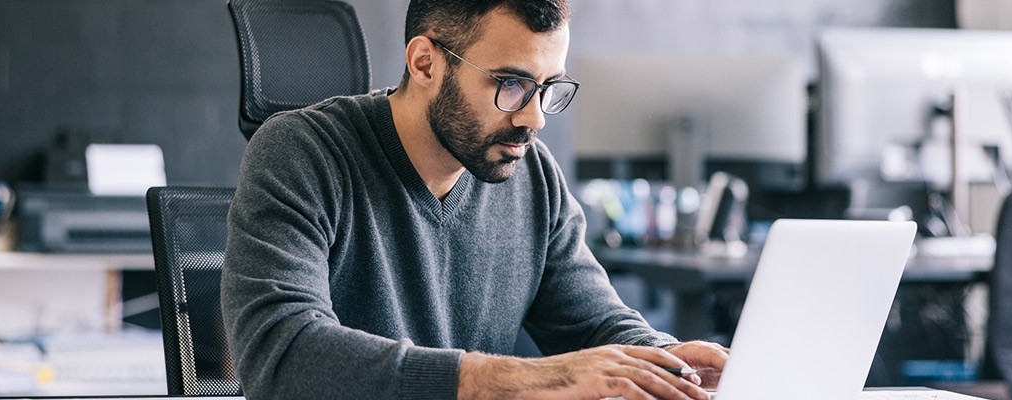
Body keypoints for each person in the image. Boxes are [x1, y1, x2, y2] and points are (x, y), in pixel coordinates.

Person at [221, 0, 728, 399]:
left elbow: (594, 323)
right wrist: (523, 380)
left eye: (549, 88)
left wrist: (672, 362)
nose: (535, 119)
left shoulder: (534, 176)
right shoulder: (301, 153)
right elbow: (282, 356)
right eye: (511, 84)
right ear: (425, 63)